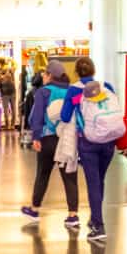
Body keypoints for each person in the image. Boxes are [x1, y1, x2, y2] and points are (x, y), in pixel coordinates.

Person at [60, 56, 117, 242]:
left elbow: (65, 116)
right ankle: (95, 219)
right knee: (99, 180)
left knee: (93, 182)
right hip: (109, 140)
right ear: (93, 70)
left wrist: (75, 101)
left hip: (89, 141)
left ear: (76, 72)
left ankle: (99, 226)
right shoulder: (106, 85)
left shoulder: (74, 90)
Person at [21, 60, 80, 229]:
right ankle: (73, 215)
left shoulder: (43, 92)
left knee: (43, 174)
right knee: (69, 176)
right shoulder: (71, 91)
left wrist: (36, 137)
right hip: (67, 139)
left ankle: (34, 209)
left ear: (49, 75)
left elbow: (36, 117)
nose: (43, 77)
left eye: (44, 74)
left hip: (47, 139)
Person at [0, 59, 16, 130]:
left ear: (0, 63)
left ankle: (7, 125)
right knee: (13, 108)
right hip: (12, 91)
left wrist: (0, 82)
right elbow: (15, 65)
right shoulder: (10, 69)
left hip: (4, 92)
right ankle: (13, 125)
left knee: (5, 109)